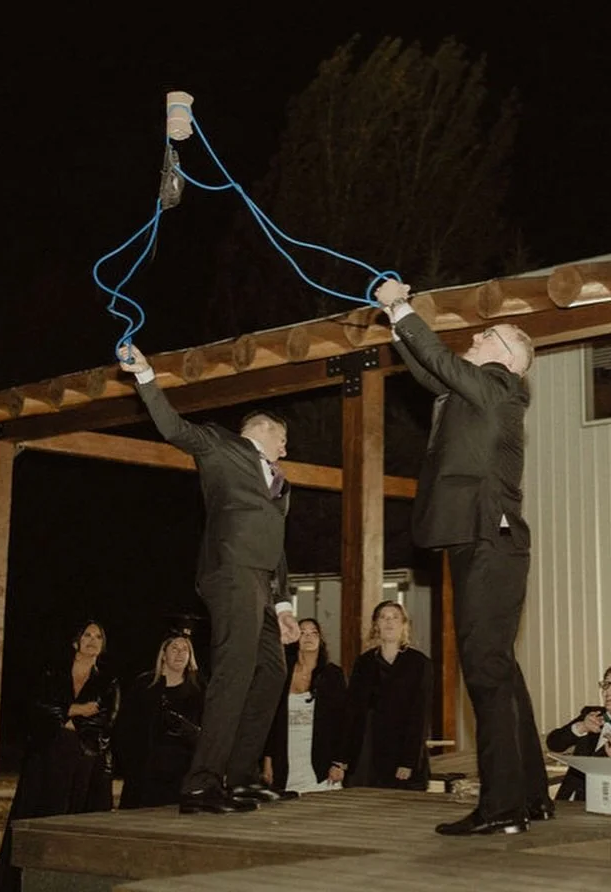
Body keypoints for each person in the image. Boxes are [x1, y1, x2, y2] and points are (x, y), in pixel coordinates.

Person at [374, 278, 548, 837]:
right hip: (487, 543)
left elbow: (443, 366)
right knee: (500, 667)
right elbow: (432, 373)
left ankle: (501, 808)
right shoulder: (479, 392)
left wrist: (402, 308)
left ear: (511, 358)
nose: (476, 335)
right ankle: (528, 797)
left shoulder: (500, 388)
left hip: (490, 542)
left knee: (486, 671)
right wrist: (396, 323)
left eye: (488, 333)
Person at [118, 343, 300, 814]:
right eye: (283, 439)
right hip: (231, 572)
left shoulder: (280, 485)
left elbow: (278, 547)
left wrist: (282, 605)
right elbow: (173, 427)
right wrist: (145, 377)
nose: (286, 448)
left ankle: (239, 778)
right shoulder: (222, 445)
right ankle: (200, 783)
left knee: (272, 671)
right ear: (263, 431)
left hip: (263, 583)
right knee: (234, 672)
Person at [0, 620, 120, 892]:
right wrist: (75, 710)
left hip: (84, 763)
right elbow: (36, 709)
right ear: (76, 641)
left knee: (74, 824)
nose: (92, 640)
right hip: (45, 760)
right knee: (38, 819)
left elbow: (105, 721)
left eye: (98, 637)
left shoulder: (108, 682)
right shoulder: (51, 673)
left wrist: (63, 715)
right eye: (87, 634)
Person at [335, 601, 432, 791]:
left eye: (395, 617)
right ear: (376, 625)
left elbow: (421, 715)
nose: (389, 622)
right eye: (383, 617)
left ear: (404, 624)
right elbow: (352, 712)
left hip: (402, 754)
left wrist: (408, 761)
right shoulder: (364, 662)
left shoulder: (419, 663)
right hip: (367, 752)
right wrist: (342, 757)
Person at [114, 632, 206, 808]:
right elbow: (125, 729)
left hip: (182, 774)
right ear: (163, 655)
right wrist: (131, 766)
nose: (180, 653)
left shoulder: (198, 689)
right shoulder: (144, 685)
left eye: (185, 649)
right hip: (144, 775)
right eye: (174, 648)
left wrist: (190, 732)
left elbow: (208, 731)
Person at [262, 618, 347, 794]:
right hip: (286, 755)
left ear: (320, 639)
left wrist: (338, 762)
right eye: (302, 632)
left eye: (313, 632)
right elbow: (272, 720)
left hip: (320, 759)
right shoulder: (282, 673)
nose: (308, 637)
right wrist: (268, 759)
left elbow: (342, 721)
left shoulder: (332, 674)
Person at [545, 664, 611, 800]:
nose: (607, 692)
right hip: (565, 801)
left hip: (600, 806)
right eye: (605, 685)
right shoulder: (590, 714)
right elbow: (554, 743)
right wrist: (581, 727)